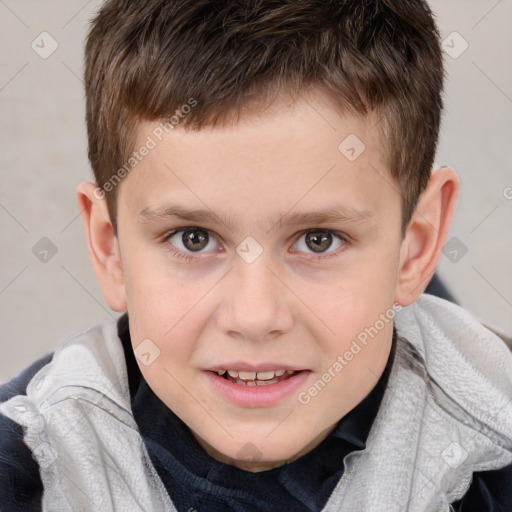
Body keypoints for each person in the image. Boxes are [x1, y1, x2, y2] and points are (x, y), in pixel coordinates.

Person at [1, 1, 511, 510]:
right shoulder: (28, 468)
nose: (255, 316)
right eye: (193, 238)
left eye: (318, 239)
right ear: (109, 245)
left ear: (416, 246)